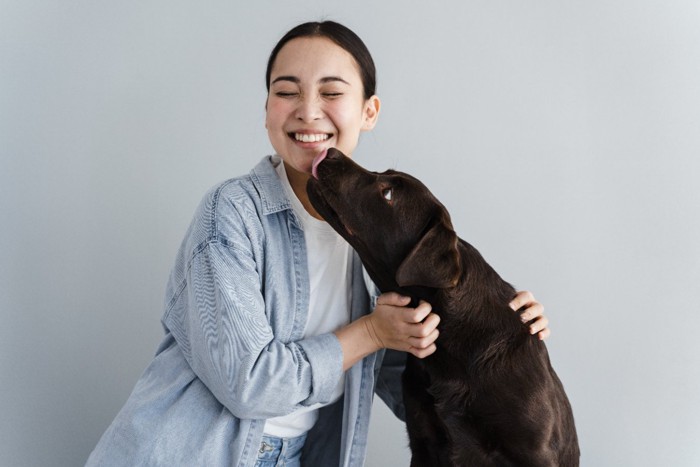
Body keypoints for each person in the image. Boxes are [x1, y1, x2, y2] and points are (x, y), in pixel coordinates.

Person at [86, 20, 550, 467]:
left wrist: (502, 334)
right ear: (266, 108)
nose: (308, 111)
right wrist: (371, 332)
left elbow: (411, 386)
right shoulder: (229, 213)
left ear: (369, 111)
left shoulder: (377, 241)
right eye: (286, 92)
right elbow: (249, 386)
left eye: (331, 92)